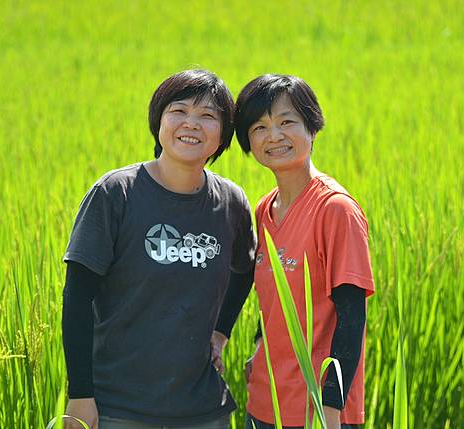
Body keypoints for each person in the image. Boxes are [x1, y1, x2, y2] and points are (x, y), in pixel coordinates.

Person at [61, 69, 256, 429]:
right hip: (119, 408)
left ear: (223, 135)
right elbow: (76, 299)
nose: (191, 124)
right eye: (178, 111)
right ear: (159, 121)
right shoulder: (115, 194)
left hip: (203, 409)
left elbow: (245, 272)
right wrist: (80, 394)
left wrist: (221, 332)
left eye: (208, 116)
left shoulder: (231, 203)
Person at [232, 75, 374, 429]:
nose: (274, 136)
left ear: (312, 128)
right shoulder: (265, 210)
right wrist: (257, 346)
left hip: (316, 412)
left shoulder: (335, 209)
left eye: (286, 122)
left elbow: (351, 318)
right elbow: (274, 301)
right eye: (260, 127)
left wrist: (330, 410)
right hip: (263, 404)